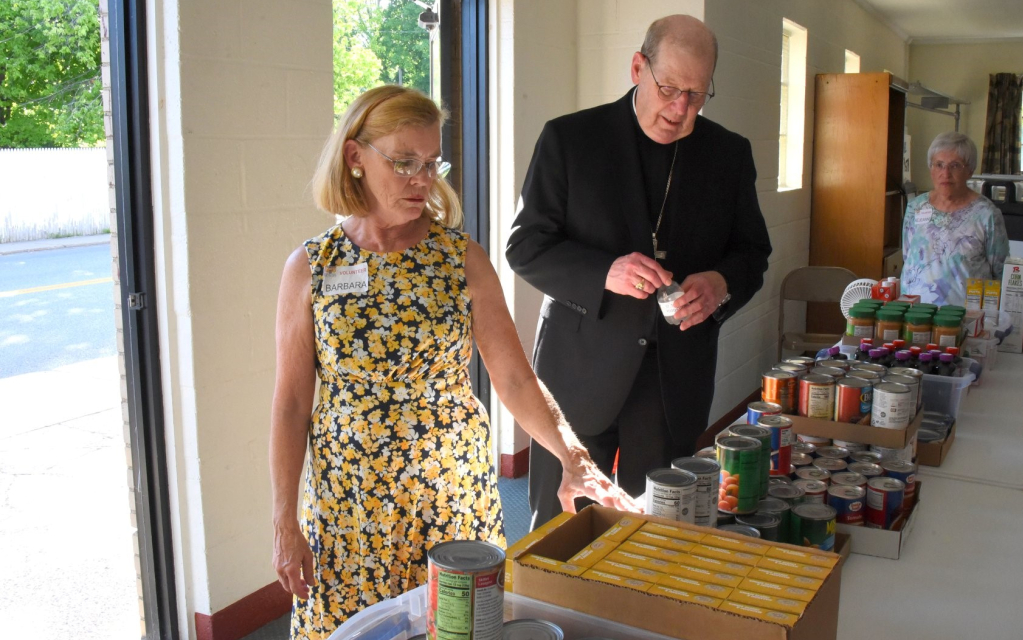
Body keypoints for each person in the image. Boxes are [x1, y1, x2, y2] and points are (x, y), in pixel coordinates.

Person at [269, 85, 637, 639]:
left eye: (431, 162)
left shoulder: (459, 258)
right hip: (350, 505)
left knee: (459, 625)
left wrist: (572, 454)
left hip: (449, 493)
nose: (423, 179)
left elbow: (513, 376)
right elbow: (293, 402)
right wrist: (284, 519)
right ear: (355, 158)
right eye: (404, 162)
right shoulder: (312, 266)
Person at [506, 15, 772, 528]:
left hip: (674, 374)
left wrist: (721, 285)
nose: (680, 109)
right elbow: (526, 246)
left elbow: (752, 251)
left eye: (696, 95)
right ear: (637, 68)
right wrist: (605, 271)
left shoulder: (728, 155)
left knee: (658, 528)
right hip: (580, 367)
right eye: (669, 88)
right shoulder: (570, 139)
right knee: (563, 524)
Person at [900, 131, 1010, 307]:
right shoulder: (915, 207)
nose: (945, 173)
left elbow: (1000, 271)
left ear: (970, 170)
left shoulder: (987, 214)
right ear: (931, 168)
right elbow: (907, 256)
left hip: (965, 318)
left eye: (955, 166)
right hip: (915, 314)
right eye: (939, 165)